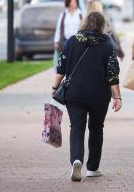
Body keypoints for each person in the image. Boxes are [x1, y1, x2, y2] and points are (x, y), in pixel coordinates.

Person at [51, 12, 122, 182]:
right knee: (96, 128)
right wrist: (117, 97)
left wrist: (54, 88)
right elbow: (112, 74)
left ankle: (76, 160)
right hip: (99, 95)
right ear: (101, 25)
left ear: (84, 23)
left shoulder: (72, 41)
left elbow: (61, 67)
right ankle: (93, 168)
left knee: (77, 127)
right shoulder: (106, 44)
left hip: (75, 94)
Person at [53, 0, 83, 68]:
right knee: (65, 60)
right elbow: (58, 28)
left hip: (77, 41)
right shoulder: (63, 14)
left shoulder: (80, 14)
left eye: (75, 1)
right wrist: (56, 41)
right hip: (65, 41)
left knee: (75, 60)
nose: (74, 3)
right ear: (68, 3)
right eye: (72, 1)